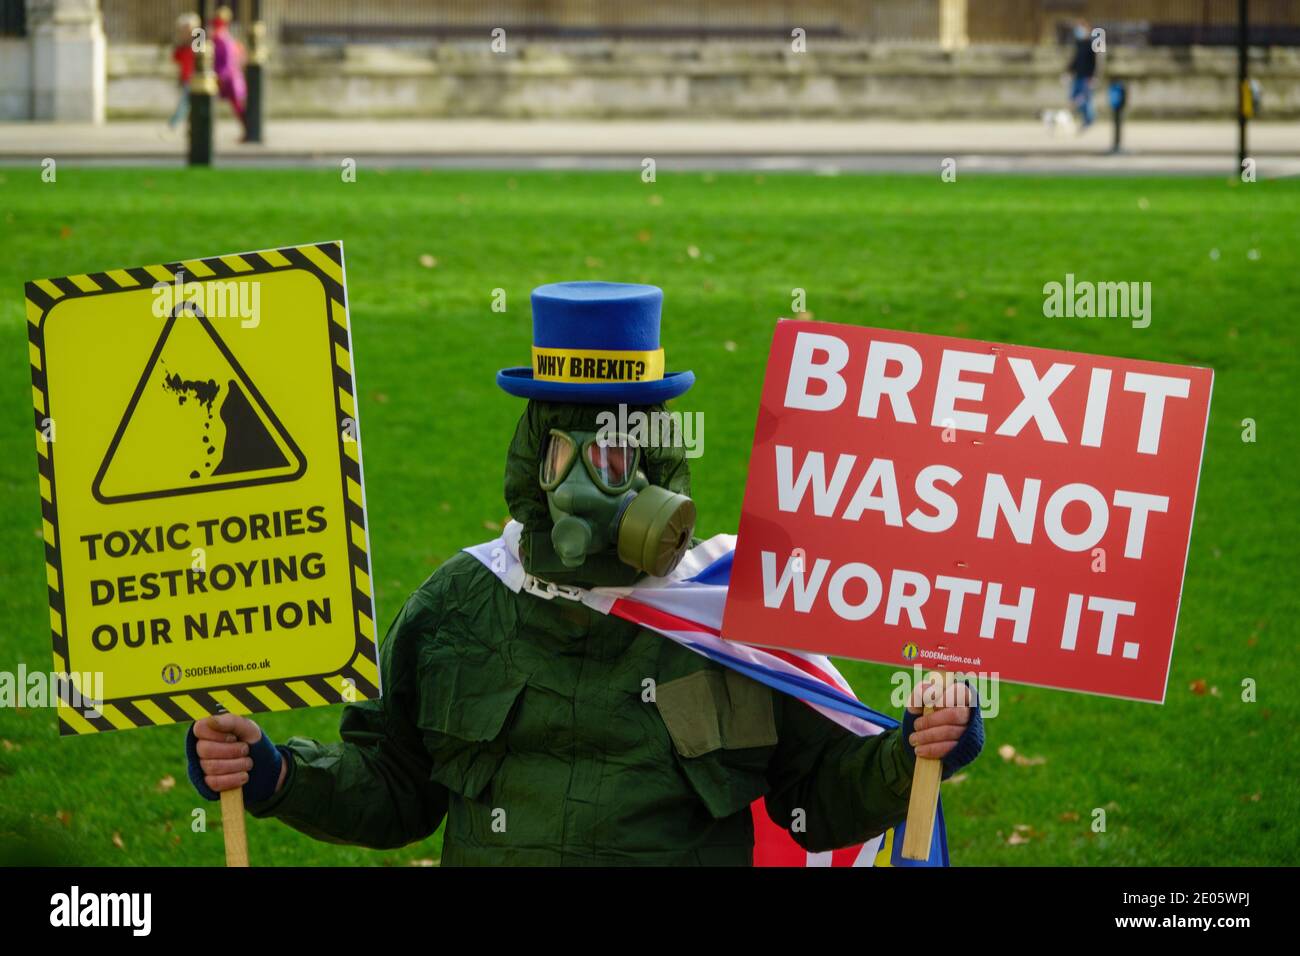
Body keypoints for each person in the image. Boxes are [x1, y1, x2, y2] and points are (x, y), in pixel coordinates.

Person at [185, 282, 985, 865]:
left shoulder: (728, 613)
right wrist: (275, 772)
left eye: (613, 453)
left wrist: (912, 751)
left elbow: (816, 797)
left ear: (658, 461)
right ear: (533, 460)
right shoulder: (461, 606)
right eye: (564, 453)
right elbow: (394, 786)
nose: (586, 483)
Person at [210, 6, 249, 141]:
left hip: (226, 77)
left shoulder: (222, 38)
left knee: (236, 106)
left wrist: (220, 76)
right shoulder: (221, 36)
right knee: (235, 106)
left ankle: (248, 131)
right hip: (224, 76)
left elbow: (226, 60)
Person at [167, 13, 198, 131]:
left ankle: (173, 124)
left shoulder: (198, 39)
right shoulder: (182, 44)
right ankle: (188, 126)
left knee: (185, 104)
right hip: (186, 78)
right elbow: (175, 58)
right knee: (186, 103)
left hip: (195, 78)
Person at [1068, 19, 1098, 130]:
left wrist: (1093, 77)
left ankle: (1088, 120)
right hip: (1078, 76)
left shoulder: (1091, 45)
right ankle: (1082, 119)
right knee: (1074, 98)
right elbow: (1075, 61)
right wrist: (1069, 71)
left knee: (1085, 99)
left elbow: (1094, 63)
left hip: (1087, 76)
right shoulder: (1079, 44)